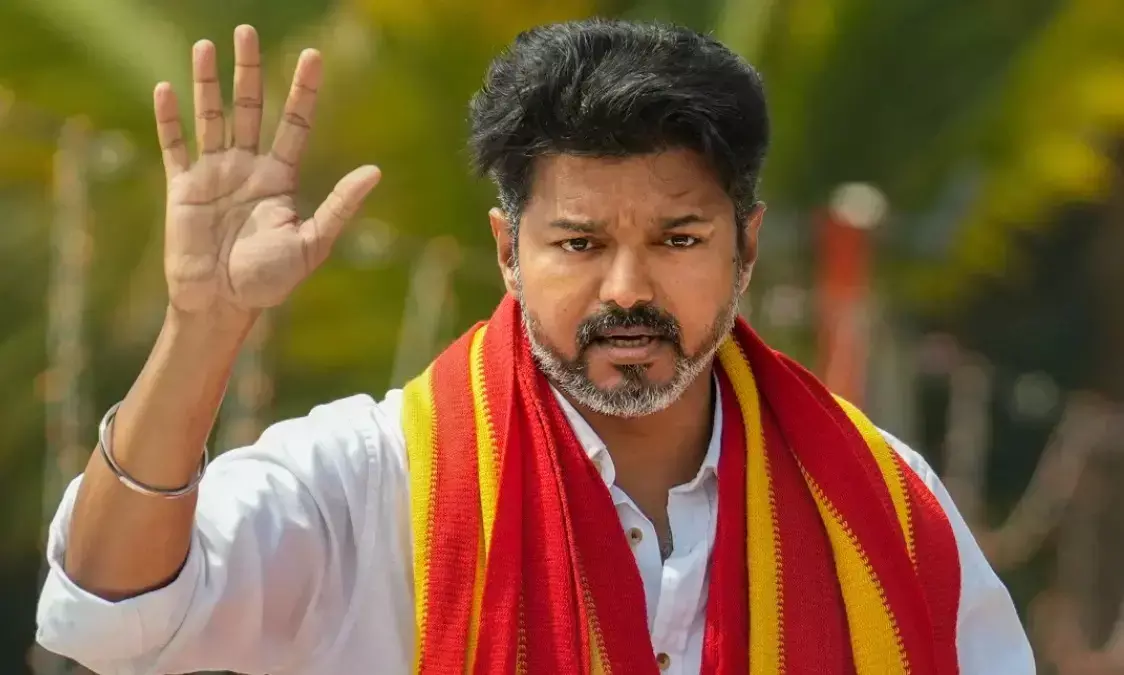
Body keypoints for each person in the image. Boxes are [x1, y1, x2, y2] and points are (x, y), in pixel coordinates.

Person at [35, 19, 1034, 675]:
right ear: (508, 251)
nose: (627, 289)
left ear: (747, 248)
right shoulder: (374, 481)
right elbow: (111, 608)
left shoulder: (879, 504)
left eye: (678, 239)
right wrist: (202, 326)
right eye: (580, 244)